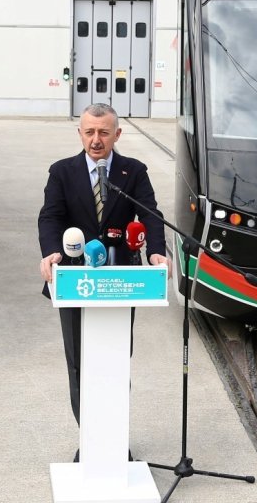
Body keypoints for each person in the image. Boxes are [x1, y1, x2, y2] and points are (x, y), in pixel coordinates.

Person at [37, 103, 169, 436]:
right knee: (79, 365)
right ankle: (91, 437)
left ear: (117, 135)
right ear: (80, 133)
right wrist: (52, 252)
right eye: (90, 132)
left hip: (121, 278)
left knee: (115, 362)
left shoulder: (133, 171)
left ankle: (113, 437)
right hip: (72, 279)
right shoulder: (61, 172)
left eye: (104, 133)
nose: (96, 140)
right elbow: (50, 217)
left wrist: (156, 252)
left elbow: (149, 214)